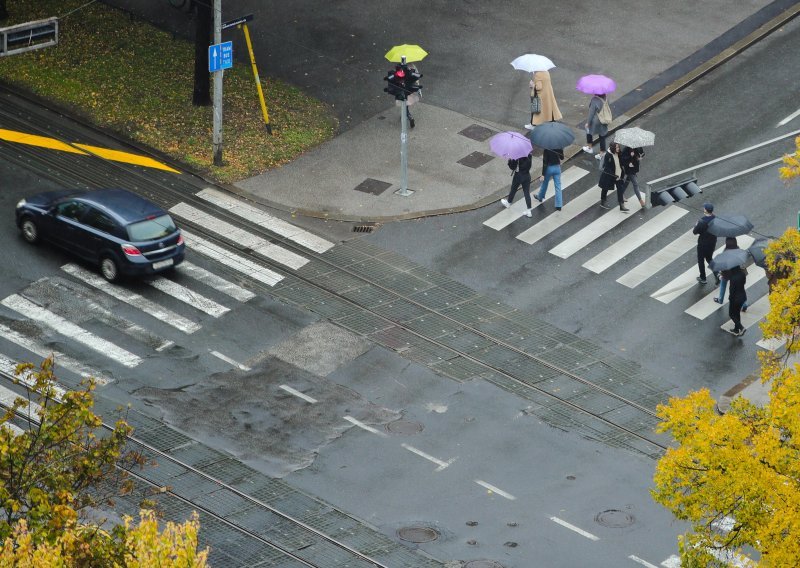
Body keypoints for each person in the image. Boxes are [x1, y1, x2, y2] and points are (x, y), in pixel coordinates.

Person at [713, 237, 748, 311]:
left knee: (723, 285)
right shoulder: (738, 249)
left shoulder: (726, 252)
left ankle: (720, 299)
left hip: (726, 273)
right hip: (737, 273)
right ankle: (744, 304)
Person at [500, 151, 533, 217]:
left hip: (518, 176)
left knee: (513, 189)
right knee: (526, 193)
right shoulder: (529, 155)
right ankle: (529, 210)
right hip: (527, 176)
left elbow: (512, 167)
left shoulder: (517, 156)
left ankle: (508, 203)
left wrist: (510, 160)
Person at [693, 203, 719, 285]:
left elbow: (695, 232)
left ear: (705, 210)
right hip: (712, 242)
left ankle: (703, 278)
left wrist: (696, 225)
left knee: (701, 260)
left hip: (703, 244)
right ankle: (717, 274)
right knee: (709, 258)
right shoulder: (716, 219)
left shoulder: (702, 221)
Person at [598, 143, 628, 212]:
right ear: (613, 148)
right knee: (605, 188)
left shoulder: (619, 153)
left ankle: (621, 205)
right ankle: (603, 201)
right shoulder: (608, 155)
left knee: (620, 190)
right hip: (610, 176)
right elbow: (607, 167)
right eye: (617, 147)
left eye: (618, 147)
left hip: (619, 174)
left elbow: (621, 162)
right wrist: (614, 175)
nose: (618, 148)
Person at [582, 93, 609, 160]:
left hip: (596, 121)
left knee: (588, 130)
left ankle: (589, 147)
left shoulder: (594, 100)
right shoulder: (605, 98)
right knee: (602, 136)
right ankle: (602, 153)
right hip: (604, 119)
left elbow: (591, 113)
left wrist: (588, 123)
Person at [726, 265, 747, 336]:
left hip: (735, 299)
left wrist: (730, 298)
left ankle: (741, 328)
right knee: (737, 313)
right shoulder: (742, 274)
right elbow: (744, 283)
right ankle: (736, 329)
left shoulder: (733, 278)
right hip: (742, 297)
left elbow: (732, 290)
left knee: (731, 314)